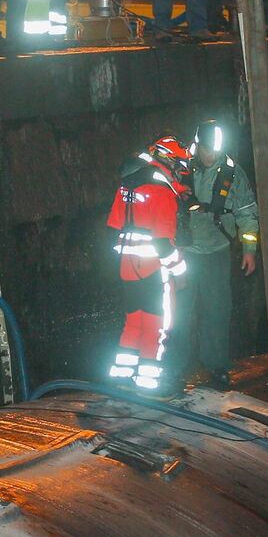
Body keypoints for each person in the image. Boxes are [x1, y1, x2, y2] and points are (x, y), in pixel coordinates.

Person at [105, 136, 194, 395]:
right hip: (155, 272)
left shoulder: (127, 185)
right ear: (169, 161)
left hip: (127, 269)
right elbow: (164, 244)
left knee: (133, 324)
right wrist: (180, 272)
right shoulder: (163, 193)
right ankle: (149, 384)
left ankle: (122, 379)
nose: (180, 173)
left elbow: (112, 229)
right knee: (157, 328)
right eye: (178, 167)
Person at [175, 118, 259, 390]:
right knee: (176, 312)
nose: (210, 155)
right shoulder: (179, 168)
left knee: (217, 311)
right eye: (205, 148)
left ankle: (217, 366)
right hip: (183, 253)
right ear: (196, 145)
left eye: (214, 149)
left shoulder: (234, 174)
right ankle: (172, 368)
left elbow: (247, 213)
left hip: (216, 252)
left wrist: (249, 250)